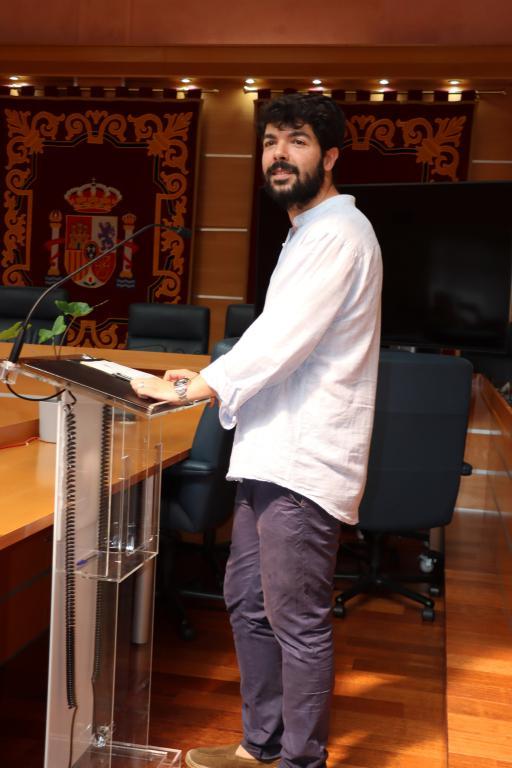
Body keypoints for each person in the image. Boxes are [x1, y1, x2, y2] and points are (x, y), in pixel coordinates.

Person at [131, 93, 382, 768]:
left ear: (330, 156)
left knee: (295, 618)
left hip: (304, 460)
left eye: (297, 141)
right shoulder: (306, 232)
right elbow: (275, 336)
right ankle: (261, 745)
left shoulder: (337, 233)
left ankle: (299, 760)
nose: (279, 154)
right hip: (271, 454)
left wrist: (193, 387)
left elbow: (282, 339)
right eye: (271, 141)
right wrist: (207, 379)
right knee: (246, 600)